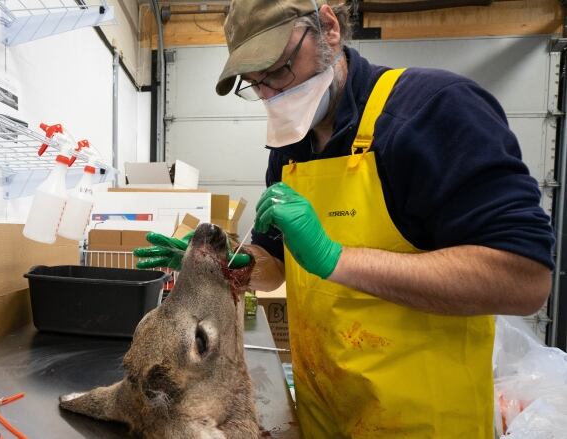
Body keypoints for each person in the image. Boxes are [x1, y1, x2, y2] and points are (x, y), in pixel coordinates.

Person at [135, 0, 555, 437]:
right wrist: (233, 267)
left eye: (278, 71)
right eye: (254, 84)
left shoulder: (434, 112)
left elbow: (525, 281)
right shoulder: (290, 148)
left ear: (328, 29)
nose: (271, 96)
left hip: (420, 424)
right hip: (325, 417)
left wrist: (335, 257)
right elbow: (277, 259)